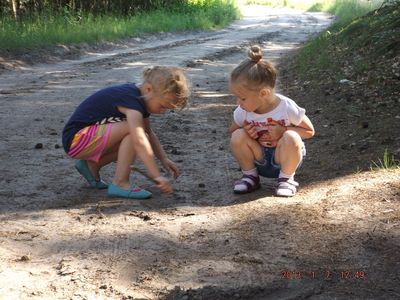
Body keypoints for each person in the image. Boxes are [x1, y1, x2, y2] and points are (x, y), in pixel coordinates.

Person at [62, 66, 190, 199]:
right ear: (148, 89)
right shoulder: (131, 102)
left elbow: (149, 134)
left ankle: (92, 166)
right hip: (75, 140)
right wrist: (155, 175)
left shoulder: (140, 100)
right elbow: (139, 141)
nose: (163, 112)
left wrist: (163, 158)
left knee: (138, 133)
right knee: (135, 132)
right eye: (162, 106)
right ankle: (120, 183)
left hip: (86, 140)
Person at [229, 45, 315, 197]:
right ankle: (250, 177)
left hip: (283, 157)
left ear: (263, 93)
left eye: (242, 98)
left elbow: (309, 131)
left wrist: (284, 131)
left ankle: (286, 180)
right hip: (259, 158)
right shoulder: (243, 112)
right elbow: (232, 133)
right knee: (238, 135)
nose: (238, 103)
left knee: (292, 137)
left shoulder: (286, 107)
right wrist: (248, 133)